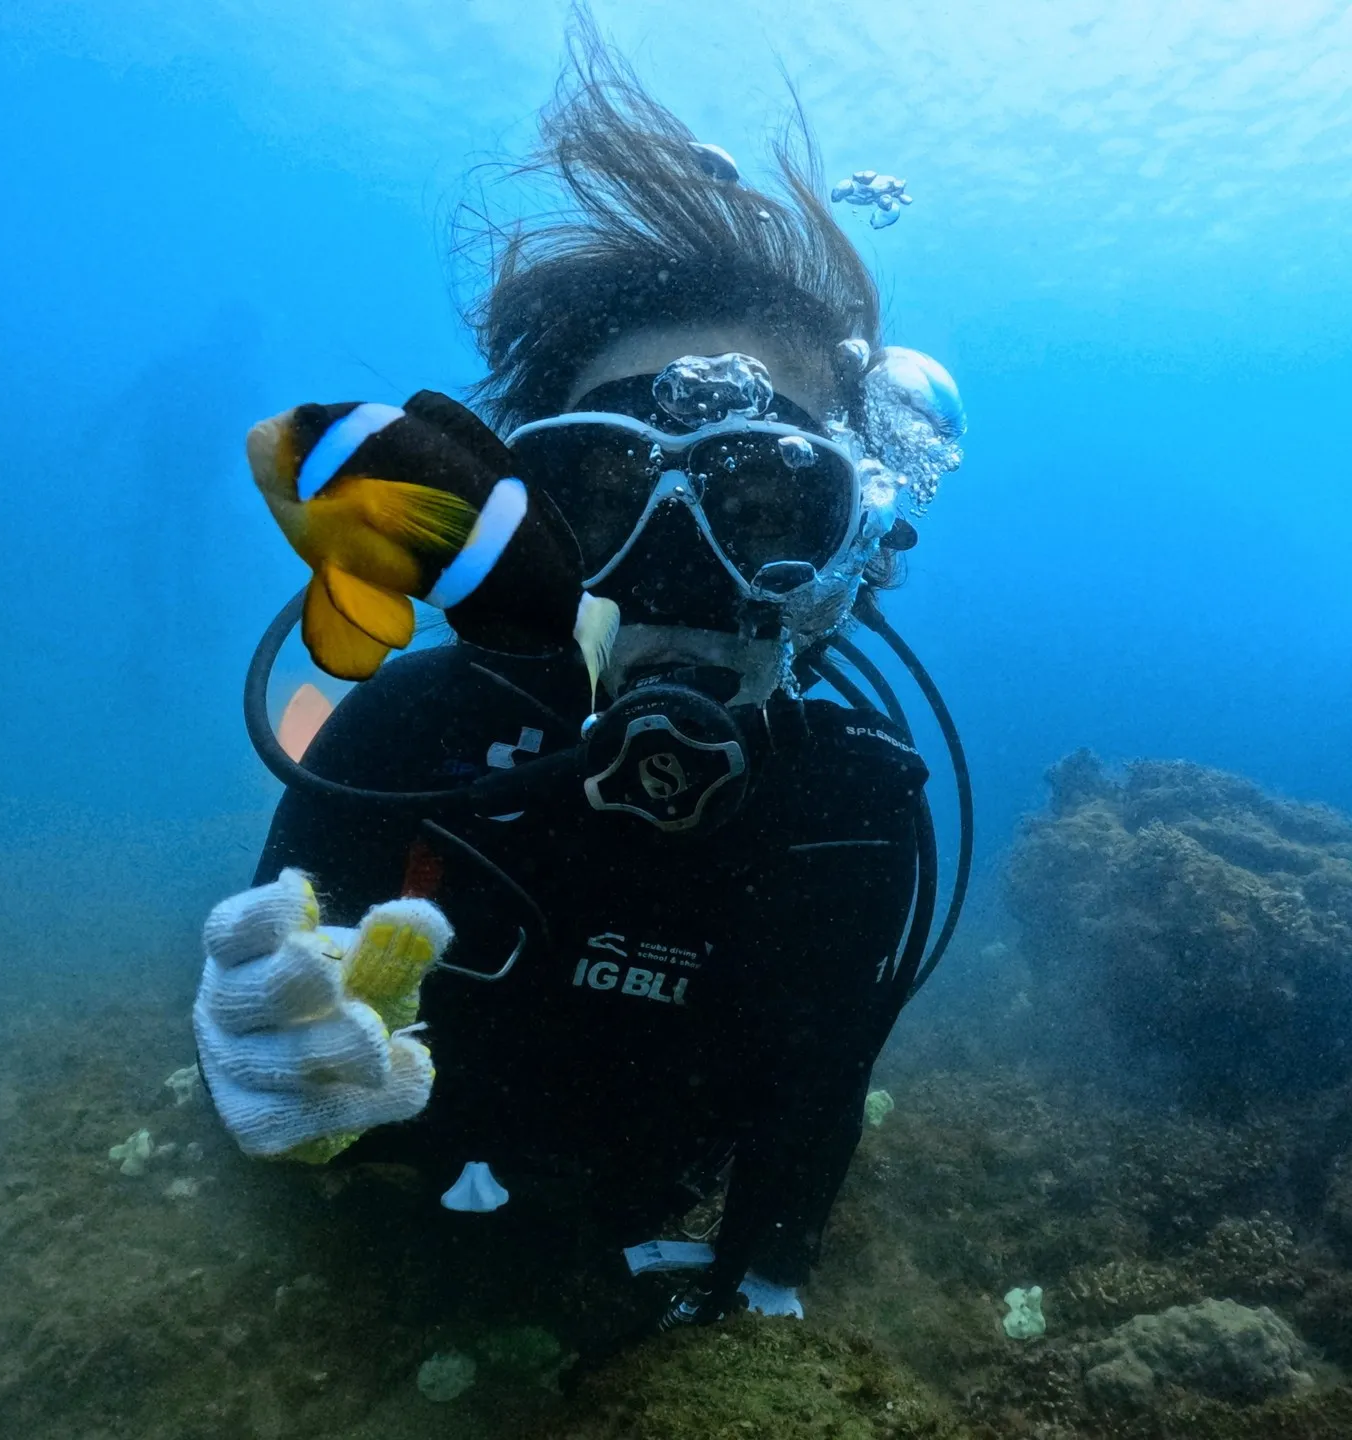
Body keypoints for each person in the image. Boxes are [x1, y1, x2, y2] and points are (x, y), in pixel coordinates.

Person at [193, 26, 967, 1333]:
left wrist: (756, 1280)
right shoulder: (412, 735)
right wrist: (260, 1070)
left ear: (853, 549)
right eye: (603, 497)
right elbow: (284, 1046)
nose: (675, 574)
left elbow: (811, 1108)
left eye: (764, 501)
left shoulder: (856, 808)